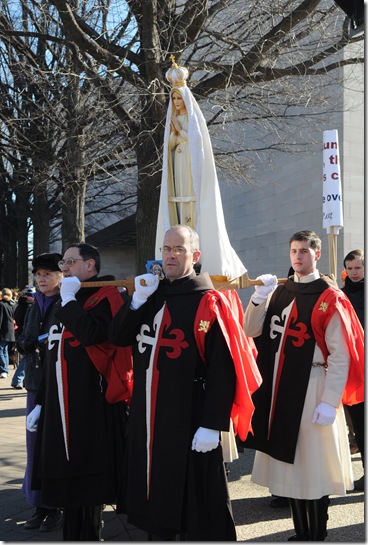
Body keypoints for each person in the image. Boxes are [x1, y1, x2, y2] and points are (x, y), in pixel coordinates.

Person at [109, 224, 261, 541]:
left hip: (189, 412)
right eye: (166, 249)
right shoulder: (150, 295)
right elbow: (118, 337)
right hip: (148, 414)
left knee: (197, 504)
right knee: (153, 497)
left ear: (195, 254)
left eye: (179, 249)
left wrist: (212, 423)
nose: (171, 255)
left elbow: (223, 368)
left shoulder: (208, 301)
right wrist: (136, 301)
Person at [243, 230, 364, 541]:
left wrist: (329, 401)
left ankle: (317, 532)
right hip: (281, 387)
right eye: (294, 251)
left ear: (317, 255)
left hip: (314, 385)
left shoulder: (330, 297)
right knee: (290, 465)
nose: (298, 257)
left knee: (315, 466)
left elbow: (341, 355)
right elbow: (250, 329)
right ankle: (300, 532)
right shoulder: (281, 291)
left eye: (304, 251)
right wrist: (258, 298)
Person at [26, 243, 133, 541]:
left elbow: (93, 335)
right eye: (63, 262)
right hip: (59, 403)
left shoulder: (107, 297)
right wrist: (41, 403)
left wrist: (70, 300)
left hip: (91, 403)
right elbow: (52, 353)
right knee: (67, 481)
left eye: (71, 262)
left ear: (90, 266)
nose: (64, 268)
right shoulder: (66, 298)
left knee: (88, 481)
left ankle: (89, 534)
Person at [155, 56, 246, 280]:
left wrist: (181, 132)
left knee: (192, 205)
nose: (176, 103)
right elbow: (172, 146)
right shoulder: (173, 120)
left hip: (190, 169)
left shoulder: (193, 119)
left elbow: (196, 144)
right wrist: (175, 135)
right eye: (173, 99)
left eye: (179, 99)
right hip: (178, 168)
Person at [16, 254, 64, 531]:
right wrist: (28, 344)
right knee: (35, 447)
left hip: (61, 384)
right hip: (36, 382)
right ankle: (40, 506)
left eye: (47, 273)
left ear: (60, 275)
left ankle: (57, 505)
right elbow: (25, 336)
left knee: (55, 446)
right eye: (38, 274)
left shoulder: (66, 300)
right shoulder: (35, 303)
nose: (41, 279)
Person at [341, 249, 364, 491]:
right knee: (357, 422)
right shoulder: (341, 295)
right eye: (350, 268)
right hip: (351, 367)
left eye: (358, 268)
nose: (354, 273)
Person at [11, 286, 36, 389]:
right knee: (26, 358)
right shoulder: (26, 306)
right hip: (24, 335)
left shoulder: (21, 305)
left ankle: (23, 380)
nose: (31, 297)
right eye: (30, 295)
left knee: (26, 358)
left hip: (22, 334)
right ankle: (17, 379)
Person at [0, 288, 16, 378]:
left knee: (1, 350)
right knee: (4, 350)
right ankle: (5, 369)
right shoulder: (12, 304)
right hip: (10, 330)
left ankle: (3, 370)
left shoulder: (1, 304)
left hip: (3, 330)